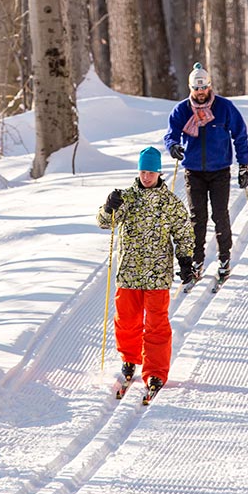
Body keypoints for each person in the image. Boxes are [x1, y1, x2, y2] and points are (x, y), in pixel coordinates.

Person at [97, 146, 195, 398]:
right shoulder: (126, 197)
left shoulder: (169, 202)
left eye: (151, 172)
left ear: (159, 173)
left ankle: (155, 371)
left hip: (158, 275)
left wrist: (185, 259)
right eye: (143, 171)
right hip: (129, 272)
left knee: (156, 325)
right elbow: (104, 223)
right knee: (127, 321)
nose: (146, 177)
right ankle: (129, 359)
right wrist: (109, 207)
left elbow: (184, 231)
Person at [163, 62, 248, 283]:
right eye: (196, 89)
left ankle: (224, 259)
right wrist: (173, 146)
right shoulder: (182, 110)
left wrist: (243, 166)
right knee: (197, 218)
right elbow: (171, 134)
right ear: (190, 88)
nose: (201, 93)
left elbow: (240, 135)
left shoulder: (224, 107)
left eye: (204, 88)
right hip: (193, 171)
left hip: (220, 170)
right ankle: (197, 261)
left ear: (209, 86)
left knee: (220, 216)